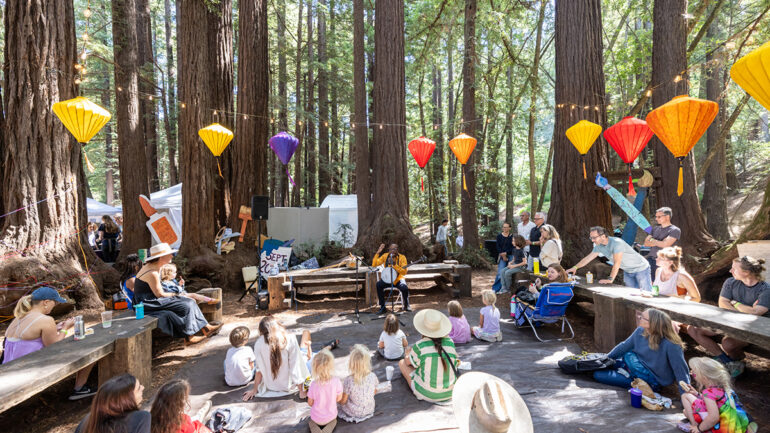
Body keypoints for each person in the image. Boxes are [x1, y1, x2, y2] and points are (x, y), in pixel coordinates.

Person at [3, 286, 96, 400]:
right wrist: (65, 328)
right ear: (46, 302)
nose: (55, 305)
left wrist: (54, 329)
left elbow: (28, 337)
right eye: (55, 302)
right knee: (89, 348)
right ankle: (80, 388)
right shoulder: (46, 320)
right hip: (28, 370)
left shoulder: (18, 318)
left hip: (9, 367)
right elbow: (54, 347)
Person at [687, 256, 768, 377]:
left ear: (746, 272)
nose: (730, 271)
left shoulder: (765, 289)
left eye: (734, 269)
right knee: (693, 329)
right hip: (728, 322)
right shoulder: (730, 282)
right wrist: (746, 309)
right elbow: (722, 303)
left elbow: (756, 313)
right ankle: (726, 361)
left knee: (728, 344)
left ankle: (737, 360)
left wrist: (735, 302)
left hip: (752, 329)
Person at [133, 243, 221, 343]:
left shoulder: (155, 266)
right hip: (147, 302)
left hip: (151, 299)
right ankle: (191, 336)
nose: (172, 256)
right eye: (169, 254)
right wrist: (176, 295)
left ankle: (202, 330)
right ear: (161, 257)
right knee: (188, 303)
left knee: (188, 302)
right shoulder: (152, 272)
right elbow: (159, 294)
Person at [593, 308, 690, 393]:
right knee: (596, 365)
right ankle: (621, 371)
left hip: (649, 380)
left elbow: (681, 371)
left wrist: (686, 396)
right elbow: (624, 346)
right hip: (632, 365)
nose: (639, 317)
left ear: (653, 323)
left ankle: (635, 384)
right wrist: (606, 358)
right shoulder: (640, 330)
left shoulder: (672, 344)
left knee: (598, 375)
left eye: (643, 317)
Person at [242, 316, 338, 400]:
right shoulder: (288, 339)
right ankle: (328, 347)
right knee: (307, 336)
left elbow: (259, 370)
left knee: (306, 351)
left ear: (261, 331)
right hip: (290, 385)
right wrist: (302, 390)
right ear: (277, 326)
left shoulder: (258, 344)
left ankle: (321, 348)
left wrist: (255, 390)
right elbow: (295, 366)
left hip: (272, 387)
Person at [398, 309, 461, 403]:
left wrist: (407, 354)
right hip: (450, 392)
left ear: (423, 328)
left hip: (427, 394)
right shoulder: (450, 342)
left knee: (402, 363)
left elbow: (408, 363)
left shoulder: (420, 345)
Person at [567, 226, 652, 291]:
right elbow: (588, 258)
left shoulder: (616, 243)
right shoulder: (599, 246)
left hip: (641, 268)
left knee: (646, 294)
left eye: (594, 237)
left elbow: (617, 263)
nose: (592, 240)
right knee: (632, 296)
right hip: (628, 271)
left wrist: (610, 279)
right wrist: (575, 267)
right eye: (591, 238)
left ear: (603, 236)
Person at [74, 374, 149, 433]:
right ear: (126, 399)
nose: (143, 387)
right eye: (139, 388)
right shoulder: (141, 418)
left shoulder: (88, 421)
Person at [679, 357, 737, 433]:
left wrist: (699, 428)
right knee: (686, 411)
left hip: (718, 424)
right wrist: (697, 394)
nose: (691, 373)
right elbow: (715, 401)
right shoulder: (724, 388)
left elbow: (713, 417)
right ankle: (700, 424)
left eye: (694, 373)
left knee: (685, 396)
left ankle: (694, 425)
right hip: (727, 419)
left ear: (704, 378)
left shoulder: (708, 392)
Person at [338, 344, 379, 423]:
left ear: (351, 364)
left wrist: (337, 400)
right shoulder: (373, 376)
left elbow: (343, 401)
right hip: (369, 409)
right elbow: (374, 391)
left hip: (354, 412)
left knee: (338, 403)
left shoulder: (349, 380)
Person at [307, 349, 343, 433]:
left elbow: (310, 403)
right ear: (331, 366)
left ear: (315, 368)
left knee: (311, 422)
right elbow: (338, 399)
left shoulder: (313, 384)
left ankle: (316, 430)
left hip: (316, 418)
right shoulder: (336, 381)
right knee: (334, 421)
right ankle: (327, 430)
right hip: (331, 417)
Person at [373, 243, 411, 314]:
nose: (392, 251)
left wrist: (394, 265)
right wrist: (378, 252)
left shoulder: (402, 257)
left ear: (397, 250)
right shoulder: (385, 256)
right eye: (390, 249)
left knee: (404, 288)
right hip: (387, 279)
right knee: (378, 285)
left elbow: (404, 272)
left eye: (394, 249)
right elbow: (374, 264)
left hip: (398, 279)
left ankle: (406, 305)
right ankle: (383, 307)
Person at [643, 207, 681, 277]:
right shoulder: (655, 229)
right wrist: (660, 242)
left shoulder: (675, 230)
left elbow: (665, 245)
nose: (656, 219)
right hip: (651, 260)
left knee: (662, 284)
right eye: (656, 216)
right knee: (651, 284)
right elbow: (646, 243)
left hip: (665, 262)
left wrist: (652, 240)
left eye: (659, 217)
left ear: (667, 217)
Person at [492, 223, 514, 292]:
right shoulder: (499, 236)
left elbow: (513, 247)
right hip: (502, 255)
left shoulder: (512, 236)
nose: (505, 229)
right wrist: (503, 255)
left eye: (506, 227)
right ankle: (495, 289)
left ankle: (507, 288)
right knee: (500, 272)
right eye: (504, 227)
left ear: (510, 228)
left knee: (510, 272)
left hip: (510, 255)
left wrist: (506, 253)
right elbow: (497, 246)